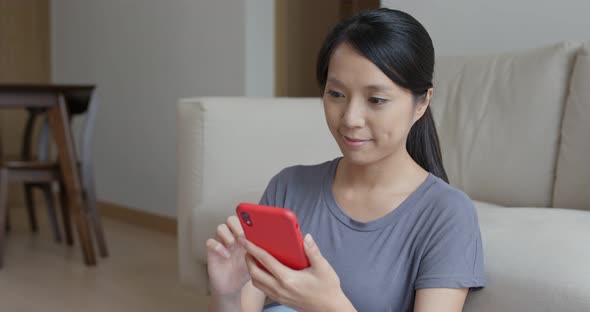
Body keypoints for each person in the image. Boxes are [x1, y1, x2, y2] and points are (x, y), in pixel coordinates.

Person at [205, 8, 486, 312]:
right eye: (336, 94)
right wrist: (229, 294)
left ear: (422, 102)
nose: (350, 118)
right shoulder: (288, 187)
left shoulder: (447, 214)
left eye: (375, 100)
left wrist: (329, 305)